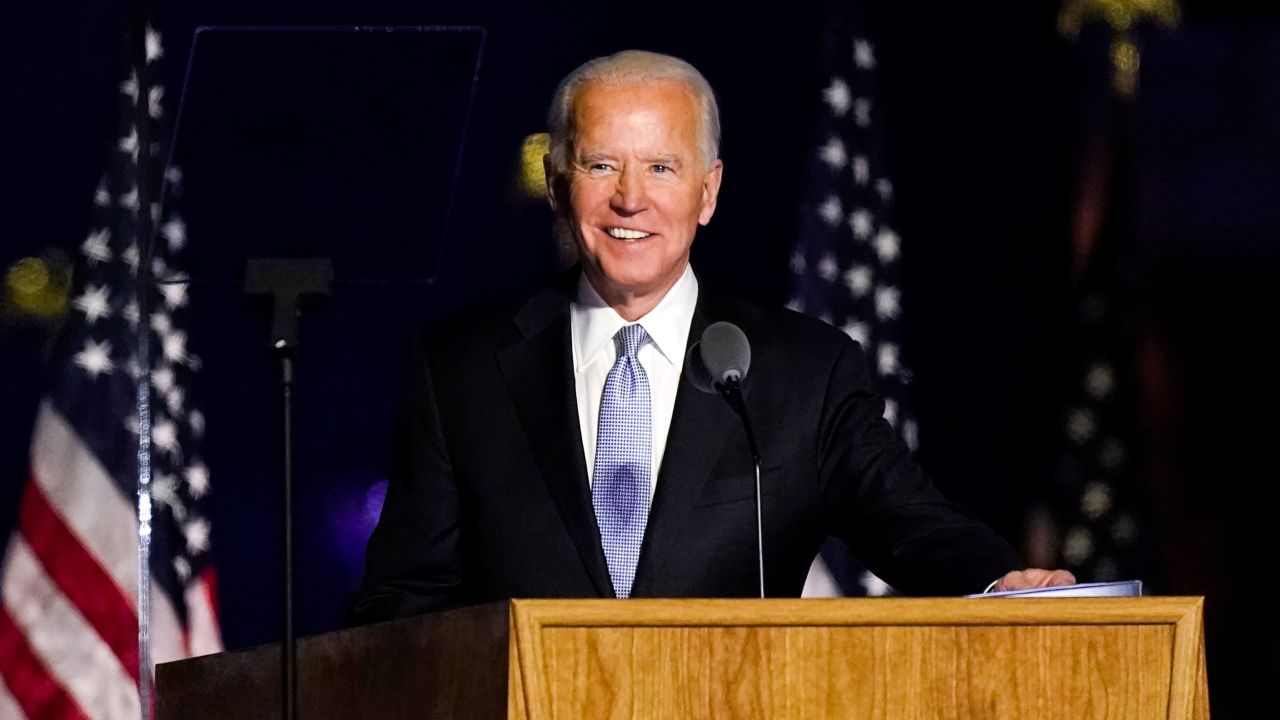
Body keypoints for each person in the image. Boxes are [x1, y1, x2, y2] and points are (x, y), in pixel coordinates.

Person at [349, 50, 1071, 624]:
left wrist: (1002, 578)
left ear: (708, 191)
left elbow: (910, 524)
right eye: (602, 164)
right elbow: (400, 602)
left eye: (661, 167)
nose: (630, 198)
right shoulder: (460, 370)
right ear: (556, 181)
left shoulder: (803, 373)